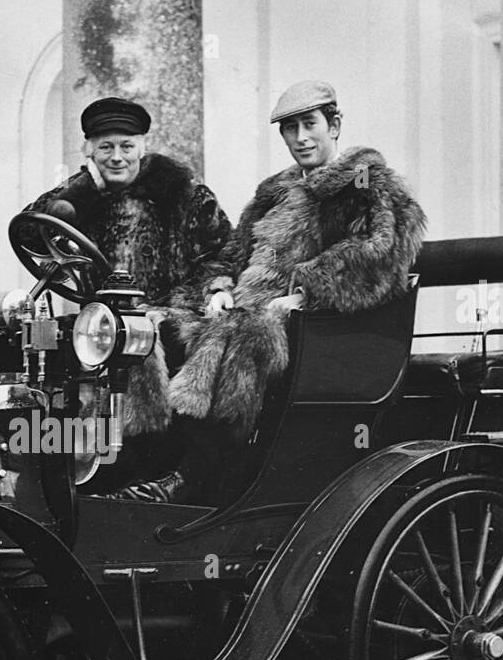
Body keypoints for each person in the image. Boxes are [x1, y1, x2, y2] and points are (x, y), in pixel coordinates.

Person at [106, 80, 428, 503]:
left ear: (334, 125)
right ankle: (144, 463)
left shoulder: (367, 183)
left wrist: (305, 294)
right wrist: (219, 289)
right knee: (149, 330)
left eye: (309, 124)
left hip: (323, 329)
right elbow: (230, 255)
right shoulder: (273, 192)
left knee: (245, 336)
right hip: (251, 309)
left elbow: (381, 255)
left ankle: (195, 479)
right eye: (290, 129)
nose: (300, 138)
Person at [23, 97, 232, 440]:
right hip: (98, 322)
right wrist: (85, 191)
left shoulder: (185, 194)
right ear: (88, 150)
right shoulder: (78, 197)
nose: (116, 157)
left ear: (142, 147)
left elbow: (221, 251)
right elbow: (33, 231)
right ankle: (66, 451)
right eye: (105, 147)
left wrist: (216, 288)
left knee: (136, 344)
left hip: (171, 316)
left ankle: (140, 450)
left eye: (126, 146)